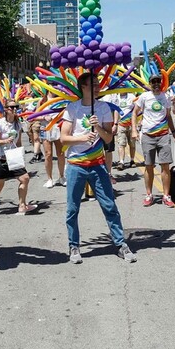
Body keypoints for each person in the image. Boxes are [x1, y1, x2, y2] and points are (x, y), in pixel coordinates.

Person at [59, 72, 135, 264]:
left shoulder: (103, 108)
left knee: (109, 205)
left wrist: (98, 128)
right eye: (92, 83)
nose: (97, 86)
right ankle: (74, 246)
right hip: (76, 165)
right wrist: (82, 138)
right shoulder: (72, 108)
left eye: (97, 83)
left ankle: (120, 244)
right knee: (72, 209)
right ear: (83, 87)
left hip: (98, 165)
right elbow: (63, 138)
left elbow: (109, 138)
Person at [132, 74, 175, 207]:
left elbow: (168, 116)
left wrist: (174, 132)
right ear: (150, 83)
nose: (156, 84)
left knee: (165, 166)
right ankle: (149, 194)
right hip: (148, 135)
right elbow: (134, 112)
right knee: (149, 166)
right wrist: (134, 130)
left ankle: (166, 195)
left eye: (158, 81)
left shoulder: (165, 97)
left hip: (163, 135)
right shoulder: (144, 97)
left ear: (161, 82)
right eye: (153, 82)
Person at [0, 100, 36, 216]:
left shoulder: (17, 124)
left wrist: (20, 155)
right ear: (6, 109)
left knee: (25, 178)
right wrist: (5, 141)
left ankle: (22, 205)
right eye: (11, 107)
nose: (14, 109)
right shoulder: (0, 123)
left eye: (15, 107)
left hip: (12, 156)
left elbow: (18, 142)